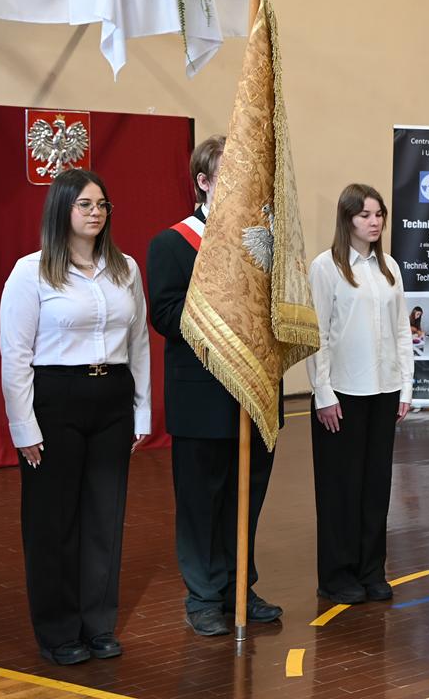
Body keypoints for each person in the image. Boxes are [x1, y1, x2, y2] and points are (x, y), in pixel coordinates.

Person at [0, 169, 151, 665]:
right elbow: (15, 357)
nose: (95, 213)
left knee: (104, 518)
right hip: (55, 400)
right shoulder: (31, 272)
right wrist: (23, 427)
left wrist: (142, 412)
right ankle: (59, 631)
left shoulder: (125, 268)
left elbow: (139, 343)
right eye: (85, 204)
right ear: (62, 209)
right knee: (53, 522)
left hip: (112, 397)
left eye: (102, 205)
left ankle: (97, 624)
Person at [147, 136, 283, 638]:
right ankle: (203, 595)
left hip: (256, 393)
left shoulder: (264, 241)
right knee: (202, 502)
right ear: (203, 182)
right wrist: (228, 297)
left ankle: (238, 588)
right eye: (230, 173)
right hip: (201, 397)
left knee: (246, 498)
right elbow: (166, 316)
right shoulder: (171, 243)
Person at [306, 184, 414, 603]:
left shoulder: (389, 267)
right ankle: (337, 575)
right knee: (340, 487)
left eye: (379, 214)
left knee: (375, 485)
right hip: (342, 393)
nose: (374, 222)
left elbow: (402, 330)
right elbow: (317, 335)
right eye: (365, 214)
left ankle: (371, 569)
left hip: (384, 389)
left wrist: (405, 386)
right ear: (347, 219)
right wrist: (323, 393)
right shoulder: (326, 267)